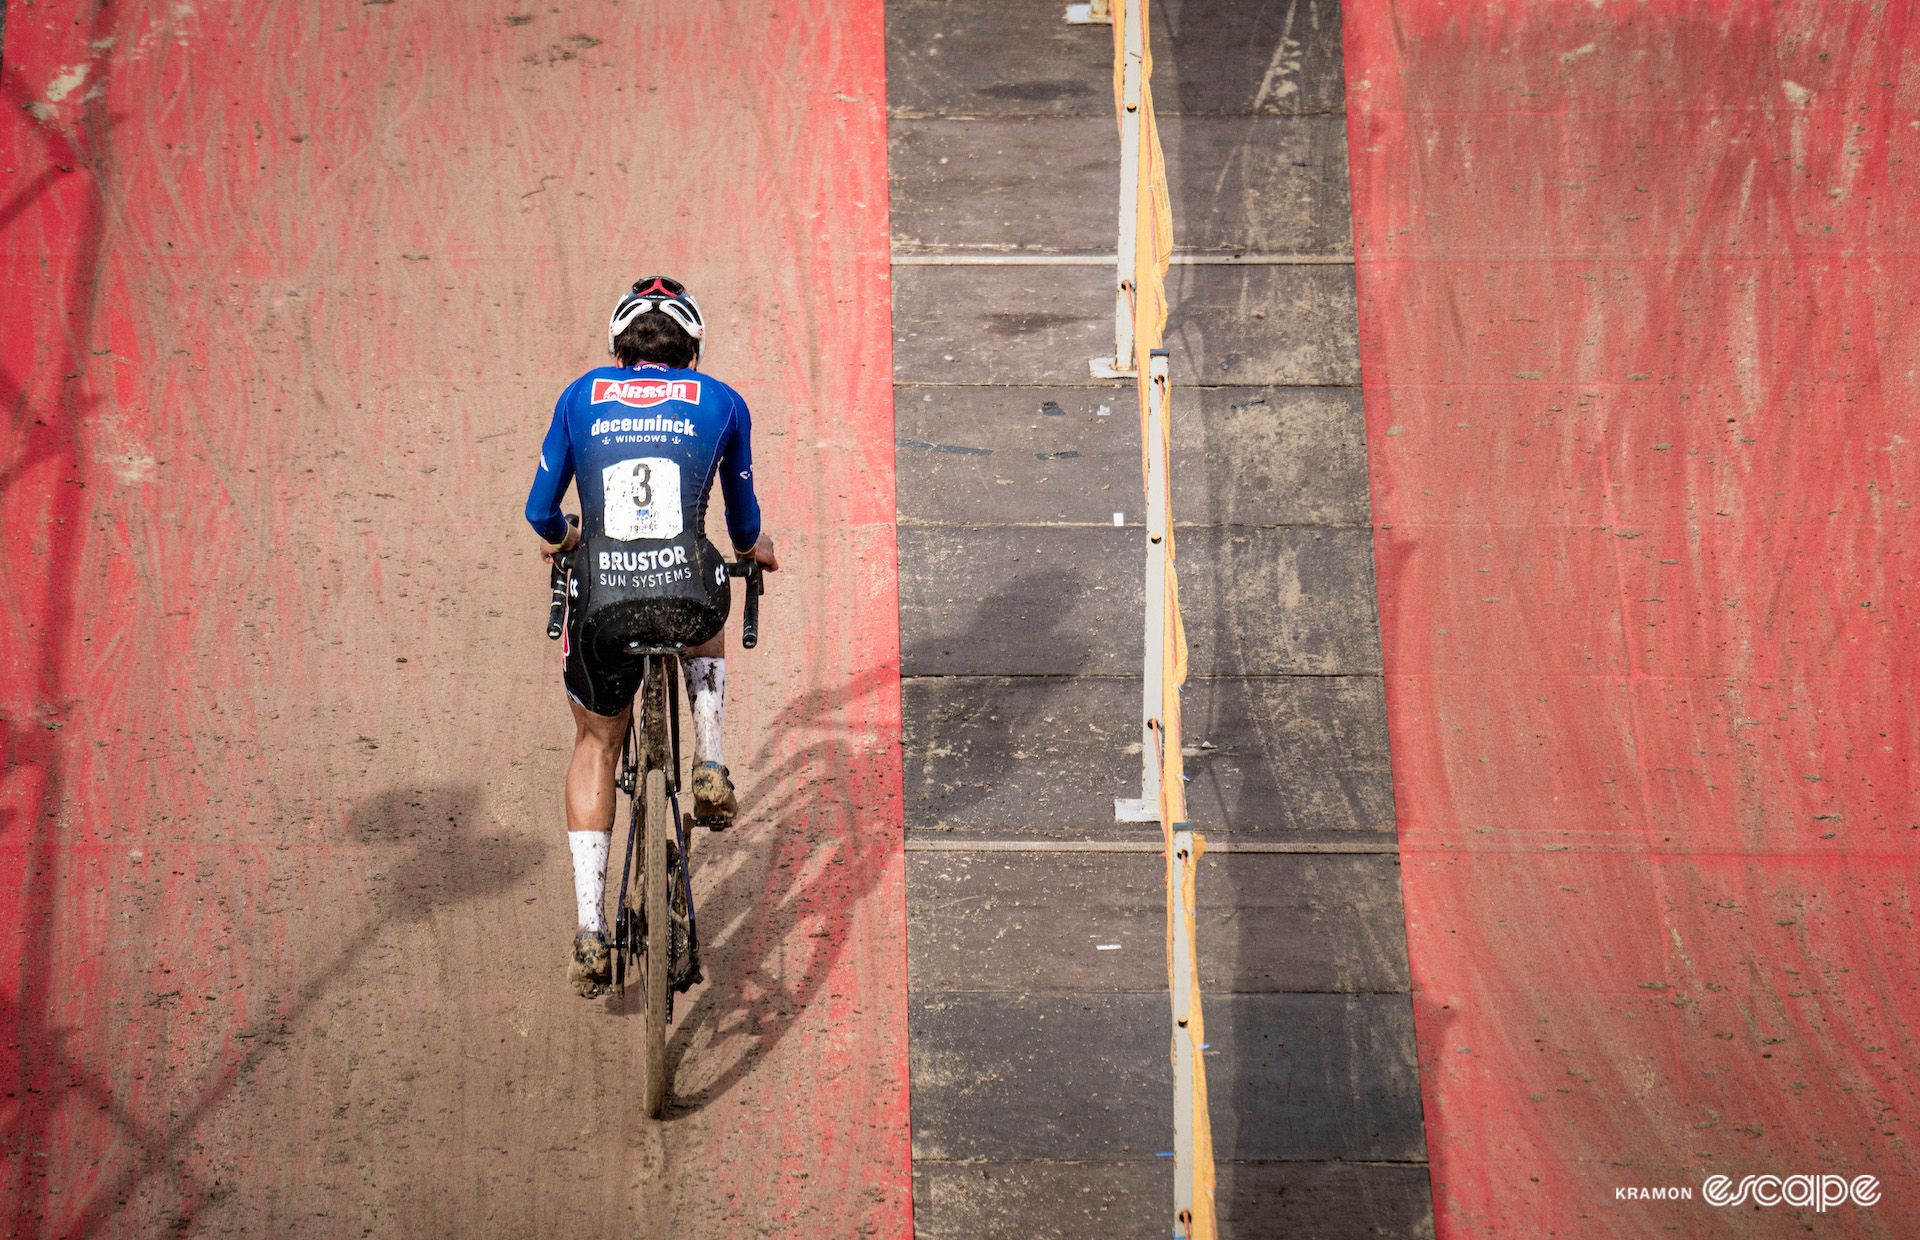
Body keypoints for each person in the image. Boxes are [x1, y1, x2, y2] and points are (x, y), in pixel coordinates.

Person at [524, 277, 779, 997]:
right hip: (688, 593)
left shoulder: (582, 396)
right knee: (706, 602)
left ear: (618, 349)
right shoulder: (723, 402)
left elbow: (540, 512)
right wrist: (756, 550)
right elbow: (745, 521)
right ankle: (711, 763)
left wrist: (567, 536)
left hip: (602, 602)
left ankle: (588, 932)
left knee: (597, 742)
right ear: (692, 352)